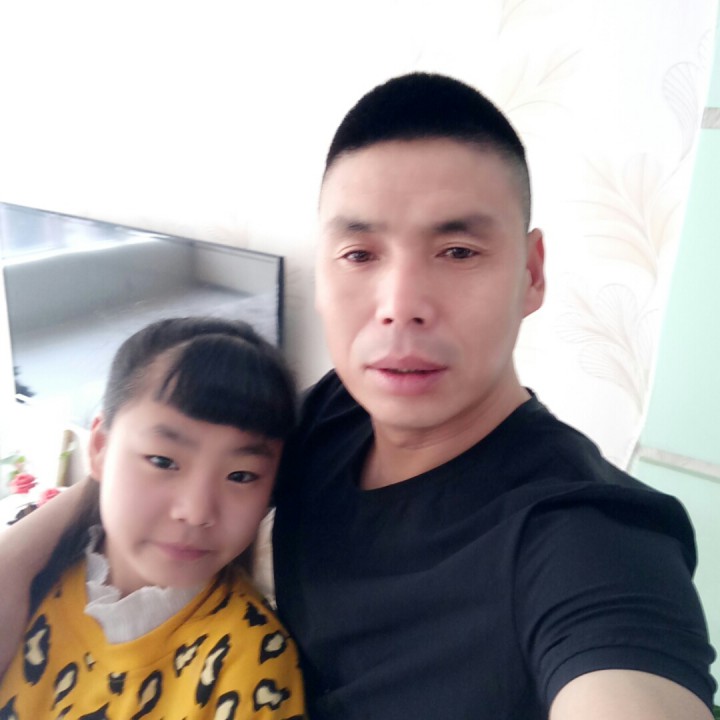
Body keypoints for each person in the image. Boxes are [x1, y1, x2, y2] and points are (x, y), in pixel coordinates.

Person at [0, 73, 716, 720]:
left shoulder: (588, 537)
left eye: (458, 252)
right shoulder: (339, 410)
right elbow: (178, 454)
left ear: (531, 274)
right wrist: (16, 560)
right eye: (360, 254)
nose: (399, 307)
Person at [0, 317, 305, 719]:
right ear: (99, 447)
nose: (196, 511)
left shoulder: (251, 662)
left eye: (241, 476)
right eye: (162, 461)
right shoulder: (33, 581)